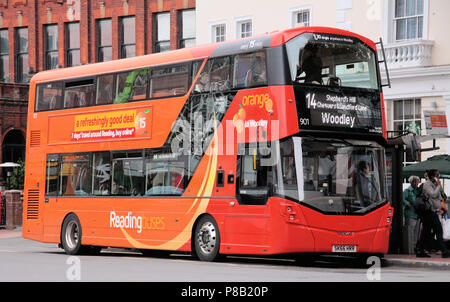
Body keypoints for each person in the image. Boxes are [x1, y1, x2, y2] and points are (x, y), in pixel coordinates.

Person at [418, 169, 450, 258]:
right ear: (432, 176)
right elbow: (433, 195)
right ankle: (444, 251)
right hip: (429, 212)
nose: (439, 176)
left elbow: (437, 198)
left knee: (426, 232)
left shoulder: (433, 184)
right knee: (438, 230)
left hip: (433, 210)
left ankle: (419, 250)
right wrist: (439, 186)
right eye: (437, 175)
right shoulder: (427, 185)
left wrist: (442, 207)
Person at [403, 175, 421, 254]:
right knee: (410, 232)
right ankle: (409, 248)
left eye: (418, 182)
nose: (418, 183)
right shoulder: (407, 191)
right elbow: (402, 198)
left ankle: (414, 248)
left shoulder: (417, 191)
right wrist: (407, 203)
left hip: (417, 214)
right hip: (410, 214)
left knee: (416, 233)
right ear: (412, 182)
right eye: (416, 182)